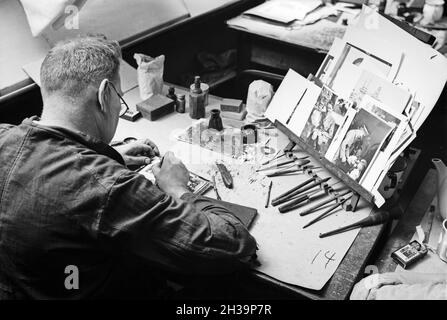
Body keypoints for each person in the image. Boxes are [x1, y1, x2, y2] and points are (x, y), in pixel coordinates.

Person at [0, 36, 257, 299]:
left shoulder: (4, 137)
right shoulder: (108, 187)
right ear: (104, 95)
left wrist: (108, 154)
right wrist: (178, 189)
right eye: (119, 99)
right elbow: (234, 245)